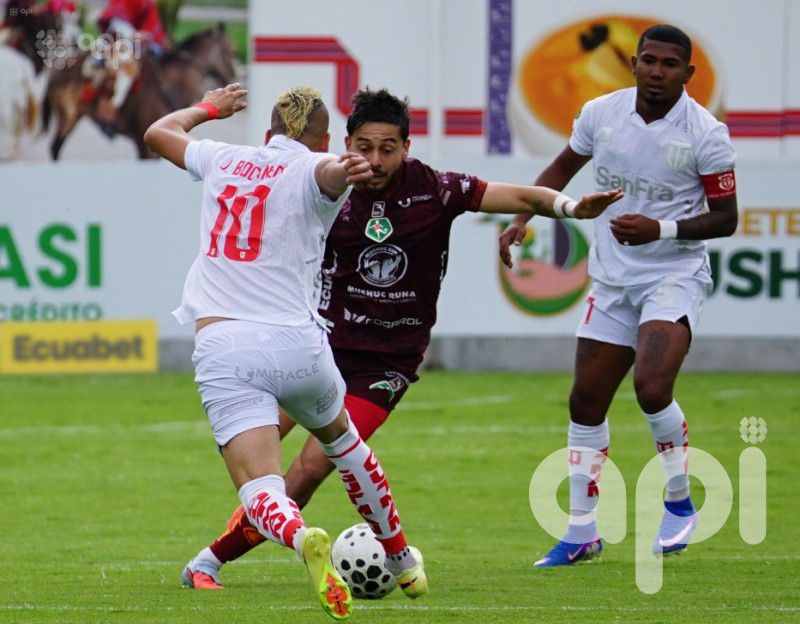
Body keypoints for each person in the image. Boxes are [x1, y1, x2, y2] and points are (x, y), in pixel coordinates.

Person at [180, 86, 623, 589]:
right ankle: (338, 553)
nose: (374, 159)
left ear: (406, 147)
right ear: (343, 144)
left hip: (385, 364)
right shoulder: (324, 185)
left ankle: (210, 561)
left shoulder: (434, 189)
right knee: (251, 454)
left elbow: (519, 195)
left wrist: (568, 209)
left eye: (386, 148)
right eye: (363, 147)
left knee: (308, 469)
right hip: (318, 344)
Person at [143, 83, 431, 621]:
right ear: (325, 138)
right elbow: (326, 175)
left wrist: (209, 109)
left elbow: (159, 133)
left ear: (268, 131)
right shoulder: (320, 168)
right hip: (303, 347)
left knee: (261, 486)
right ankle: (402, 560)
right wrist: (346, 171)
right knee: (345, 444)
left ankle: (302, 540)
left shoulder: (225, 155)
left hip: (229, 347)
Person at [499, 24, 738, 567]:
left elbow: (727, 220)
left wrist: (662, 231)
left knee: (652, 387)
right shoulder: (600, 113)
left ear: (688, 73)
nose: (657, 72)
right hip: (612, 277)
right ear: (632, 63)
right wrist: (519, 218)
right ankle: (582, 530)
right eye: (649, 61)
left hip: (673, 273)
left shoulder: (707, 134)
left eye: (669, 64)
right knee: (586, 399)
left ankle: (679, 502)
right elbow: (561, 170)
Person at [93, 0, 168, 136]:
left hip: (142, 46)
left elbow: (152, 24)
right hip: (118, 42)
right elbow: (116, 24)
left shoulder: (149, 3)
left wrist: (159, 39)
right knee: (126, 73)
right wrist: (137, 35)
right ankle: (109, 114)